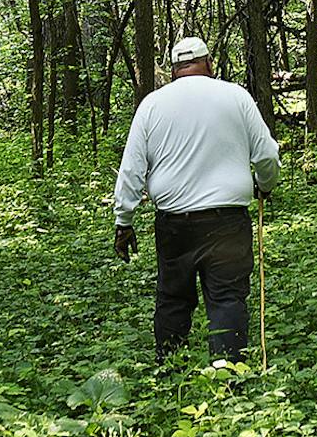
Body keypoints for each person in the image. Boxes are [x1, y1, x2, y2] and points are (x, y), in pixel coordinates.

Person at [112, 36, 280, 361]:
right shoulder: (236, 97)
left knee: (173, 298)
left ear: (174, 69)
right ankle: (229, 373)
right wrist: (265, 184)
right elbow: (267, 155)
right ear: (209, 63)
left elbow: (131, 168)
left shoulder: (152, 104)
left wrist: (124, 221)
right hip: (227, 222)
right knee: (228, 298)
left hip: (175, 224)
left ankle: (171, 368)